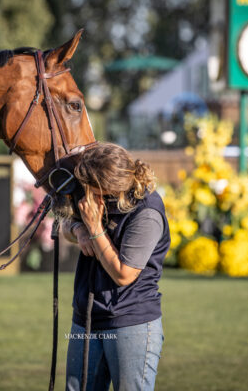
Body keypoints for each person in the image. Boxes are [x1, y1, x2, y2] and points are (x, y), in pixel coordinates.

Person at [63, 142, 170, 391]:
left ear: (109, 188)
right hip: (86, 318)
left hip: (130, 322)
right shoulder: (97, 198)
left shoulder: (147, 213)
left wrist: (95, 228)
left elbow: (123, 274)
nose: (85, 196)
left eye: (91, 190)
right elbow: (63, 225)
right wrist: (78, 229)